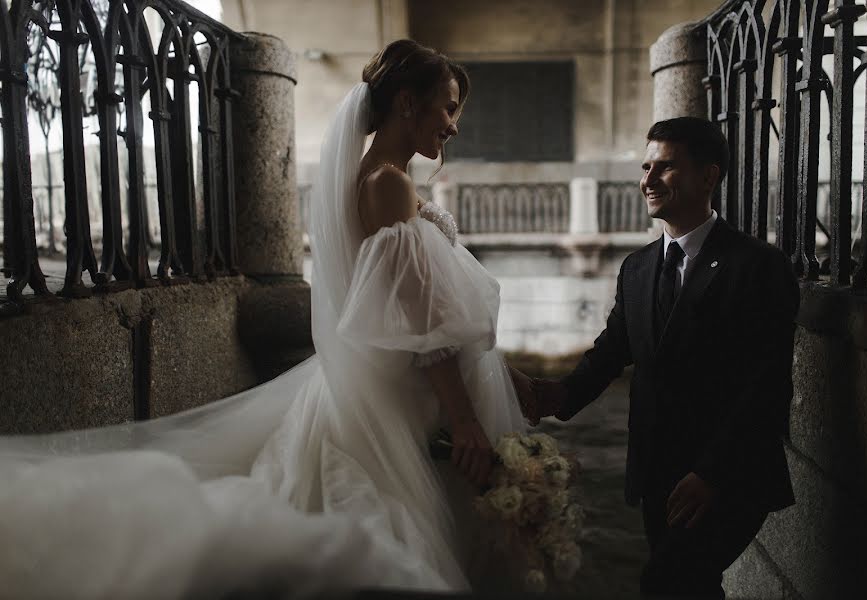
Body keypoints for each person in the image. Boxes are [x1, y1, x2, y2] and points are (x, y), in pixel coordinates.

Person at [0, 39, 526, 597]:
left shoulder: (378, 176)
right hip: (402, 396)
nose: (454, 125)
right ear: (404, 103)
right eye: (447, 107)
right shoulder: (388, 184)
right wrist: (463, 416)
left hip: (381, 383)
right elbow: (420, 319)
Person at [512, 117, 800, 598]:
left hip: (728, 476)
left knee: (668, 583)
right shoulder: (638, 266)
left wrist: (712, 473)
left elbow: (768, 384)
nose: (646, 180)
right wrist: (553, 396)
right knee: (692, 587)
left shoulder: (758, 266)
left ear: (708, 177)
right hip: (656, 474)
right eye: (646, 167)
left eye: (664, 168)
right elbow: (612, 350)